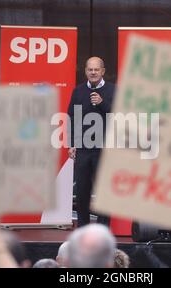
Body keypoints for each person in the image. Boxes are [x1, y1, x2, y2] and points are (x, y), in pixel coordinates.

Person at [67, 57, 115, 227]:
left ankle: (102, 228)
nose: (93, 73)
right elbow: (72, 117)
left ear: (103, 71)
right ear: (85, 71)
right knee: (82, 190)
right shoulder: (78, 91)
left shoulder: (112, 90)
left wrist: (102, 104)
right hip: (83, 147)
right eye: (90, 69)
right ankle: (83, 228)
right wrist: (72, 143)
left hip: (104, 148)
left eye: (96, 69)